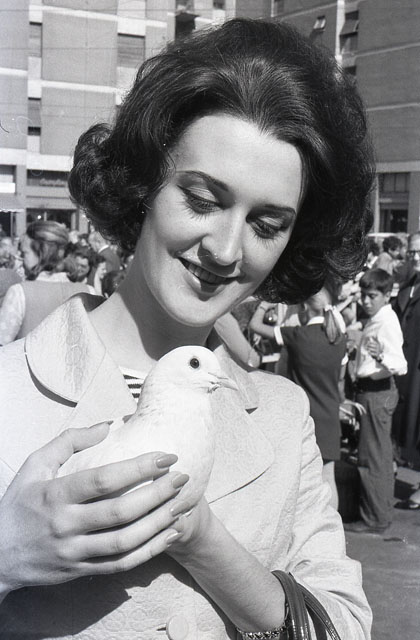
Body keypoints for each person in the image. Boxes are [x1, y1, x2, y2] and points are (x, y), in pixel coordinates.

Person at [0, 19, 374, 639]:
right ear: (145, 182)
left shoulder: (283, 419)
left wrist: (203, 540)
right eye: (202, 200)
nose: (226, 250)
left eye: (267, 225)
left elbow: (345, 628)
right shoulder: (6, 391)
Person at [249, 285, 347, 509]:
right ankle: (333, 525)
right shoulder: (339, 339)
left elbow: (255, 326)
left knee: (300, 478)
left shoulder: (297, 336)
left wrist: (264, 305)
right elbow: (341, 379)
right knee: (328, 477)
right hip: (330, 417)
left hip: (305, 416)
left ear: (304, 309)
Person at [344, 269, 407, 535]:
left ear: (386, 295)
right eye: (363, 296)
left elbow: (400, 365)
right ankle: (376, 512)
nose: (366, 301)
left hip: (377, 392)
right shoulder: (378, 318)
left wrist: (380, 356)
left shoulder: (386, 322)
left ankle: (374, 518)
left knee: (373, 459)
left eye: (372, 296)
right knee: (375, 456)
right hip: (371, 392)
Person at [0, 221, 93, 344]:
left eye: (25, 253)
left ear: (41, 253)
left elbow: (2, 344)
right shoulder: (89, 291)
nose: (22, 260)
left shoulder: (20, 293)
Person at [392, 232, 420, 500]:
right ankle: (392, 466)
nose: (415, 257)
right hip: (403, 363)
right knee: (402, 419)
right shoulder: (407, 285)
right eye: (412, 251)